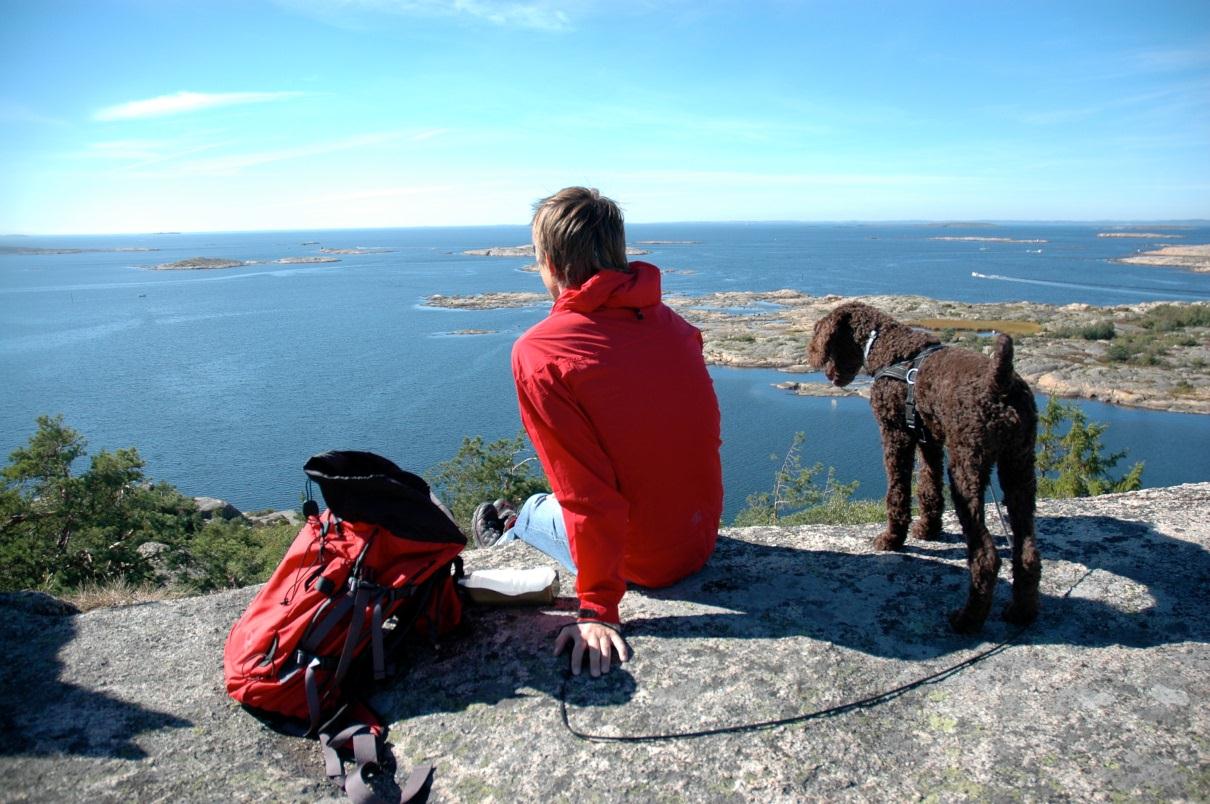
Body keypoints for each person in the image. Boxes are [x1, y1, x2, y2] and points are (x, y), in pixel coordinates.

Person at [473, 186, 723, 677]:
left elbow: (587, 496)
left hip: (645, 561)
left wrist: (597, 608)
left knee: (534, 507)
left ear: (549, 261)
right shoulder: (674, 325)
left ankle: (509, 535)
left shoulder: (541, 352)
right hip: (699, 537)